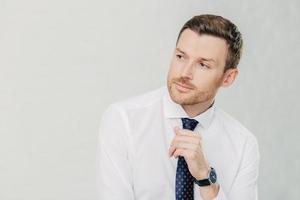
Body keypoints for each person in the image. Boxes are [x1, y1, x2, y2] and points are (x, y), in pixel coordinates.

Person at [96, 14, 260, 200]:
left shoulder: (243, 145)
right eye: (181, 56)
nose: (184, 73)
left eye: (203, 65)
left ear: (228, 77)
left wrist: (206, 178)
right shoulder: (123, 121)